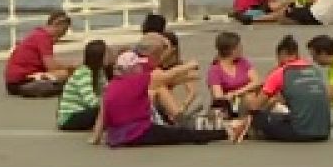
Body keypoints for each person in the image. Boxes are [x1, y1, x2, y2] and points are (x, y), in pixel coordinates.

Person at [93, 37, 236, 147]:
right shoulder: (140, 80)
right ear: (131, 68)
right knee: (182, 135)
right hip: (138, 132)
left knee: (177, 132)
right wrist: (189, 66)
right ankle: (226, 132)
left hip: (116, 137)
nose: (140, 67)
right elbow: (165, 76)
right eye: (137, 65)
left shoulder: (112, 85)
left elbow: (102, 116)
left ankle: (215, 129)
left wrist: (96, 138)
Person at [245, 35, 332, 141]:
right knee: (284, 116)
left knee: (257, 117)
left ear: (282, 55)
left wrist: (248, 97)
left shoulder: (280, 72)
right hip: (324, 132)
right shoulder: (315, 70)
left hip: (299, 132)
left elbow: (255, 106)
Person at [4, 10, 74, 97]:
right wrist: (71, 69)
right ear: (57, 25)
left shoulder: (38, 34)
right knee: (66, 75)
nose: (63, 34)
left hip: (16, 81)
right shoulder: (44, 38)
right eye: (64, 30)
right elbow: (51, 66)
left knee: (63, 76)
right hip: (22, 81)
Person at [58, 40, 111, 131]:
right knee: (104, 110)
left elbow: (107, 91)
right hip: (70, 117)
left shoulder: (99, 71)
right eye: (108, 53)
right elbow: (91, 101)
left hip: (84, 111)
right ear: (99, 56)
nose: (111, 54)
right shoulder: (84, 73)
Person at [206, 31, 260, 116]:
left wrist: (237, 93)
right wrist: (238, 97)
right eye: (239, 46)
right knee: (250, 99)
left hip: (244, 98)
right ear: (232, 50)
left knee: (253, 97)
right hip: (228, 107)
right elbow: (219, 97)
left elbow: (257, 81)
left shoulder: (243, 62)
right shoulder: (215, 70)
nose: (242, 48)